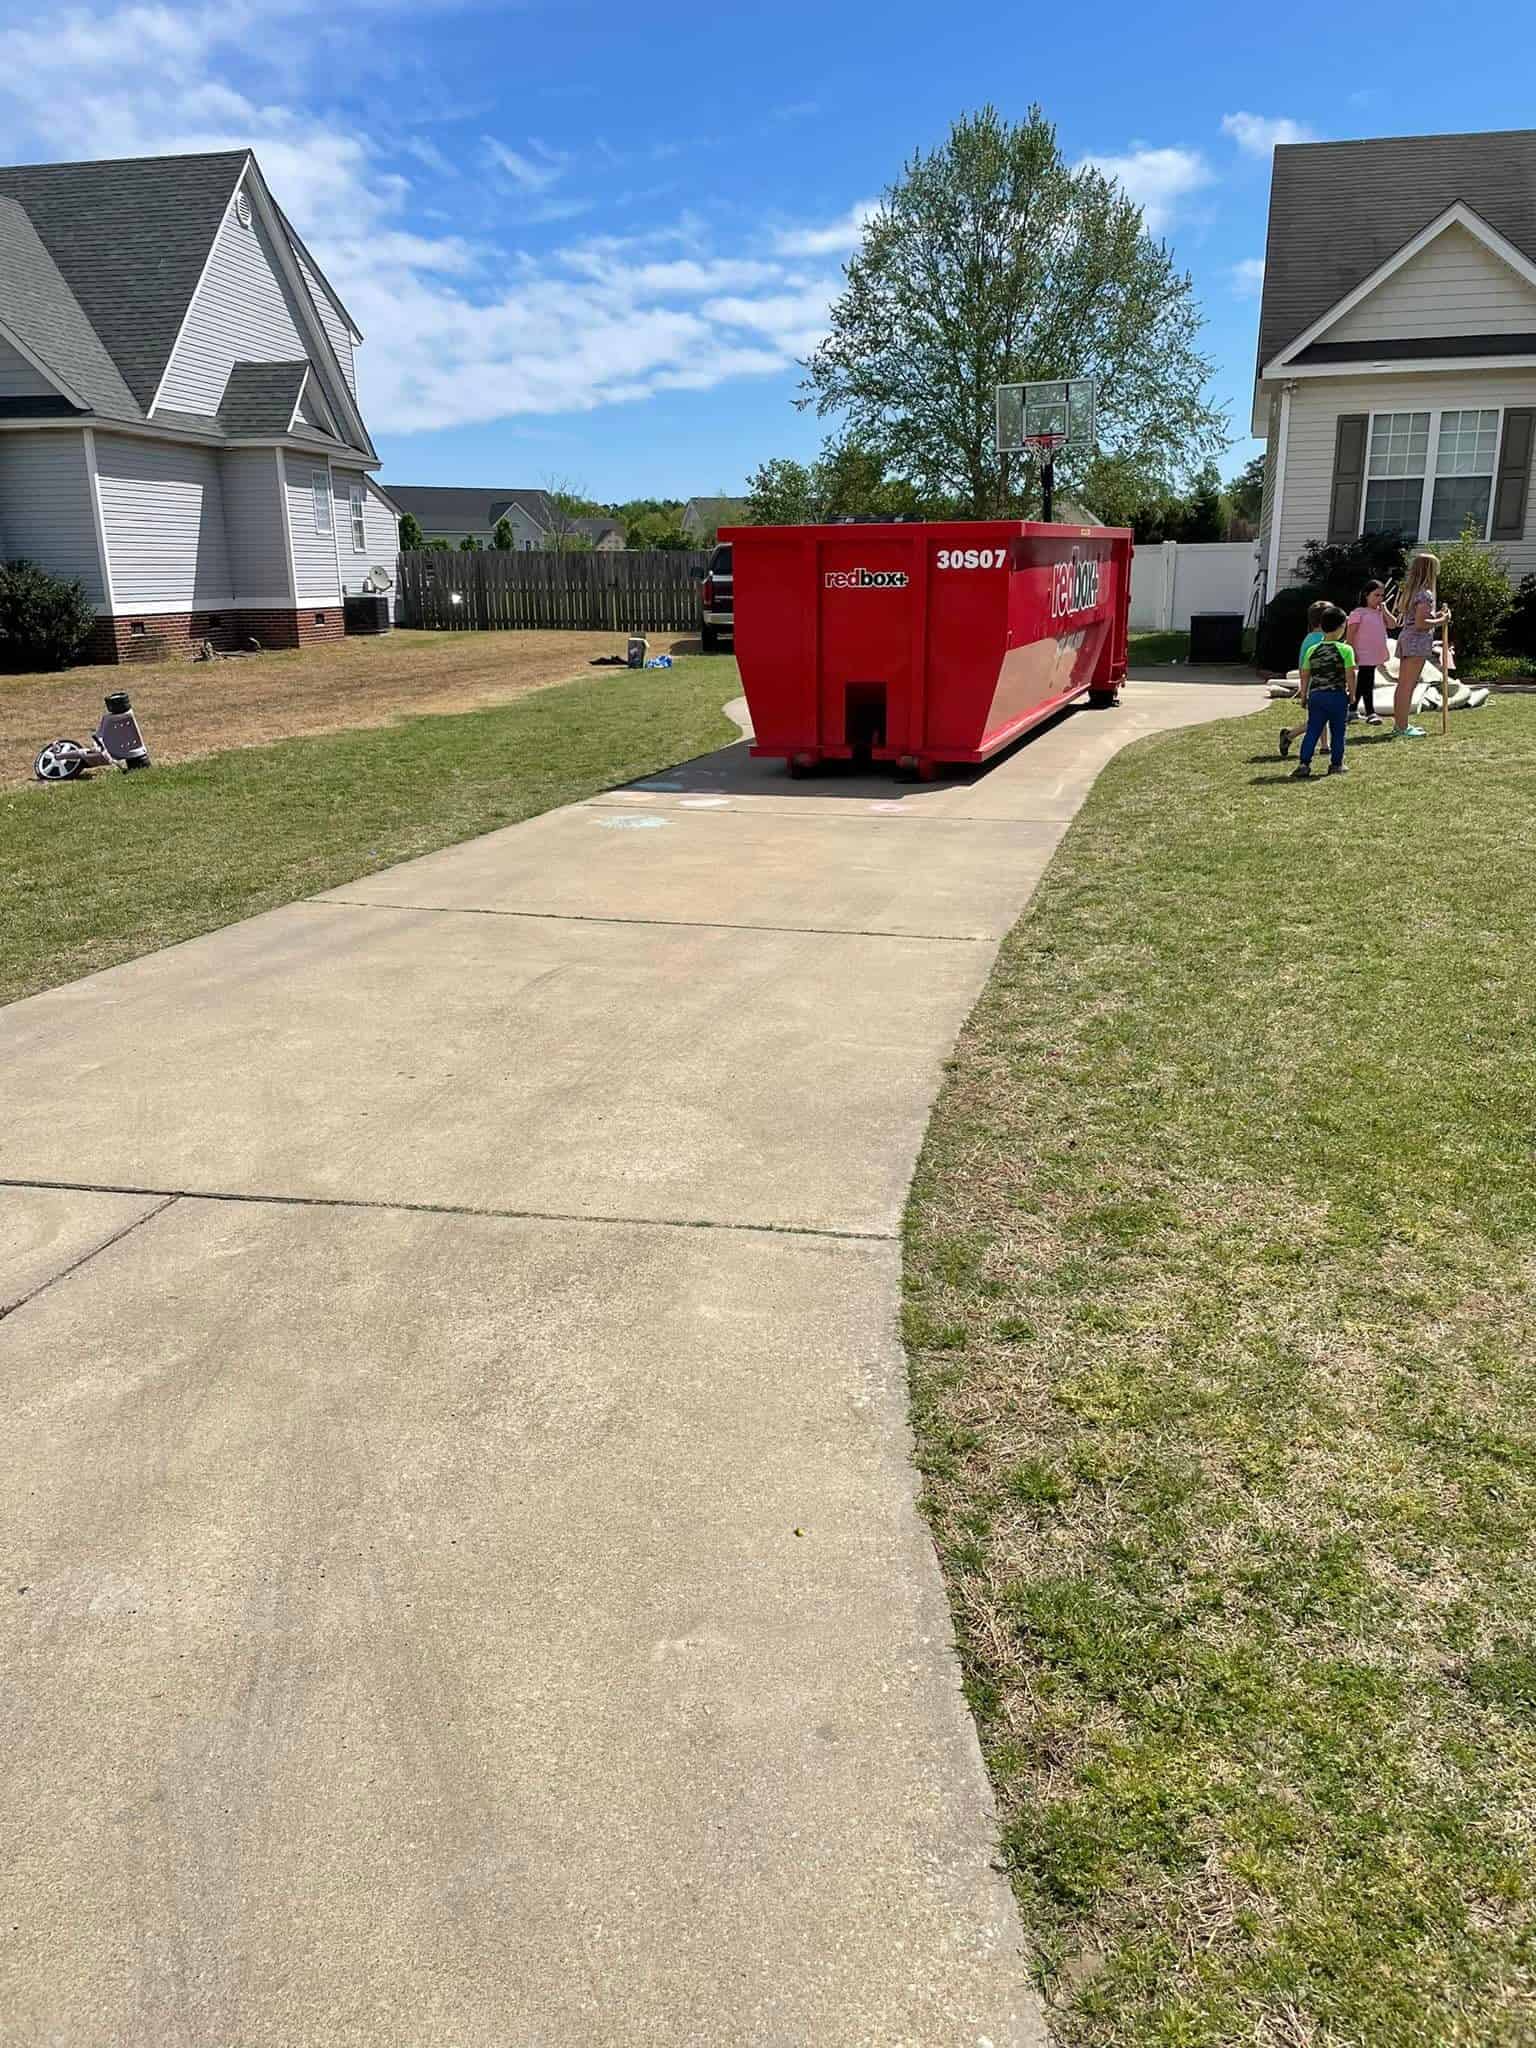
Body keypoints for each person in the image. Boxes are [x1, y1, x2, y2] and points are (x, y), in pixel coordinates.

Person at [1291, 603, 1357, 778]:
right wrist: (1353, 693)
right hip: (1337, 696)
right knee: (1338, 731)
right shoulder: (1346, 650)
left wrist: (1304, 695)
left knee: (1313, 729)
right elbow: (1350, 674)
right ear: (1342, 627)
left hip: (1316, 696)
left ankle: (1304, 763)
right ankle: (1336, 764)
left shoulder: (1312, 650)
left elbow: (1305, 675)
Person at [1391, 551, 1449, 739]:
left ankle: (1400, 725)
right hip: (1416, 641)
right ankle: (1402, 727)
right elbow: (1421, 623)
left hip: (1408, 639)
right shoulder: (1425, 594)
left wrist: (1438, 616)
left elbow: (1419, 618)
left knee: (1403, 685)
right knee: (1407, 686)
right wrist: (1443, 620)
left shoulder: (1412, 592)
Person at [1278, 599, 1334, 758]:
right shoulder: (1316, 640)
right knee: (1320, 719)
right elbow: (1305, 669)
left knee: (1323, 716)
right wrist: (1304, 691)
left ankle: (1324, 746)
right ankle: (1289, 735)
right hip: (1316, 687)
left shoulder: (1316, 638)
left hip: (1323, 686)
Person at [1345, 579, 1397, 726]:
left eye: (1382, 596)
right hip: (1362, 653)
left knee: (1364, 682)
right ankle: (1370, 712)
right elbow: (1351, 634)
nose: (1380, 599)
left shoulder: (1380, 612)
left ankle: (1352, 709)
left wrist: (1385, 610)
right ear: (1366, 595)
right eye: (1376, 595)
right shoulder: (1358, 613)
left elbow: (1393, 624)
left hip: (1375, 653)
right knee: (1366, 682)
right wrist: (1351, 651)